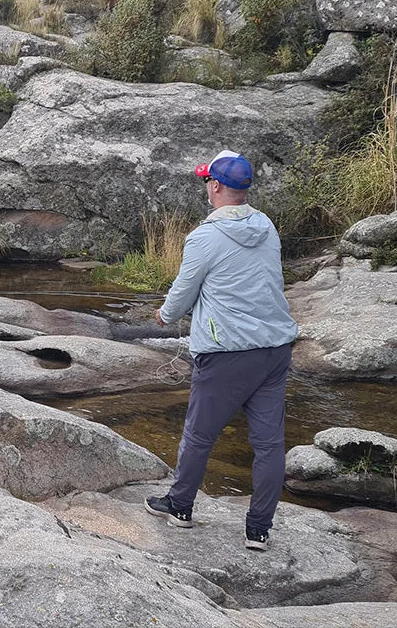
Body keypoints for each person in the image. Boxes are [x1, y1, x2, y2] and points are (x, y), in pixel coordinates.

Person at [145, 149, 298, 552]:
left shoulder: (205, 237)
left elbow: (183, 292)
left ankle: (179, 507)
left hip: (227, 352)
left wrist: (165, 315)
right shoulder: (266, 225)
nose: (206, 188)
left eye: (206, 182)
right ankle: (258, 531)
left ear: (214, 186)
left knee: (199, 434)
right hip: (275, 348)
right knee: (268, 444)